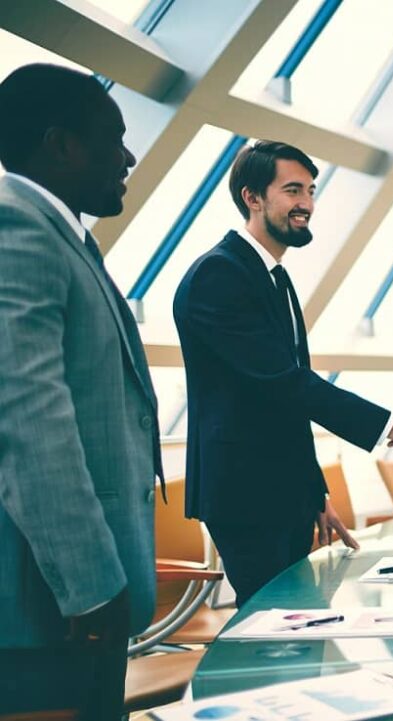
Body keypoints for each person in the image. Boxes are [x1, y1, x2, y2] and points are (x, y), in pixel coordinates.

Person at [173, 140, 393, 607]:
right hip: (246, 496)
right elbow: (288, 385)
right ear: (252, 197)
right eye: (293, 190)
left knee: (300, 624)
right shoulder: (218, 276)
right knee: (274, 634)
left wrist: (313, 494)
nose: (306, 204)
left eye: (311, 191)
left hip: (279, 492)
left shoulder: (269, 276)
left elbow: (282, 404)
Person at [0, 64, 161, 719]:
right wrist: (91, 588)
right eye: (111, 138)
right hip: (50, 607)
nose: (127, 156)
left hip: (68, 601)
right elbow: (31, 423)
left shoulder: (58, 232)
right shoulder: (21, 229)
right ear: (60, 144)